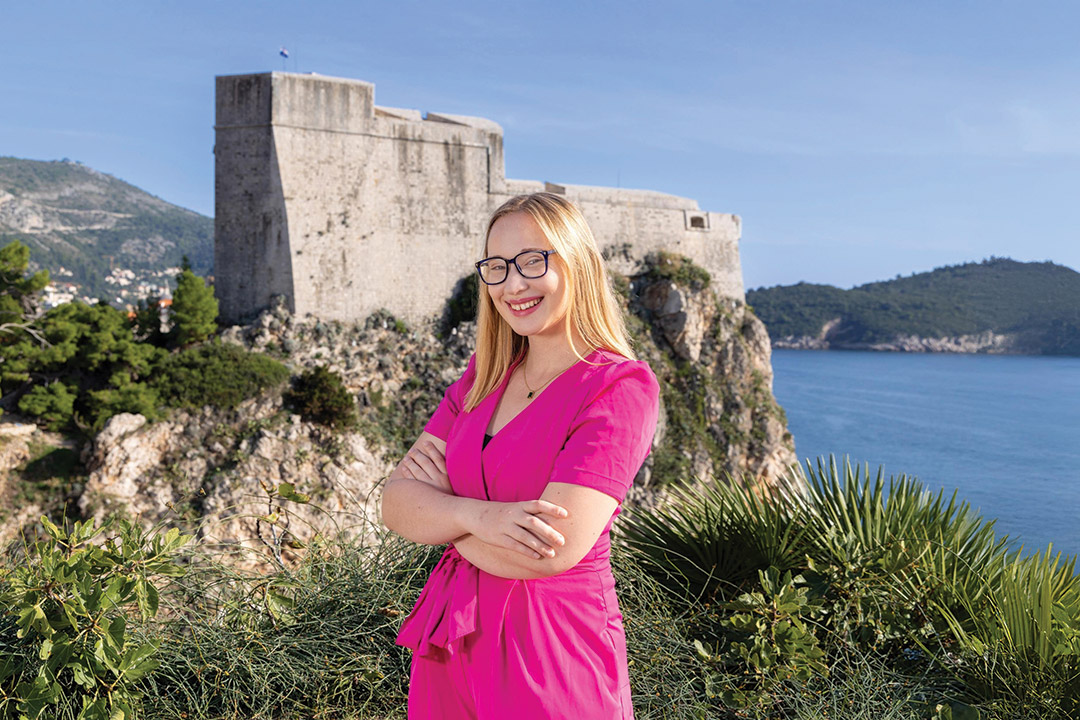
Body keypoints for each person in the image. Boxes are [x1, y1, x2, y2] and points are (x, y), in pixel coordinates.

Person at [380, 192, 660, 720]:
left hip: (551, 651)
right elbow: (395, 504)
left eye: (534, 261)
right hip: (449, 644)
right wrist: (478, 517)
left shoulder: (619, 386)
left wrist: (440, 521)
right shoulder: (483, 376)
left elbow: (551, 551)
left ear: (576, 264)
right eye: (497, 266)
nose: (513, 284)